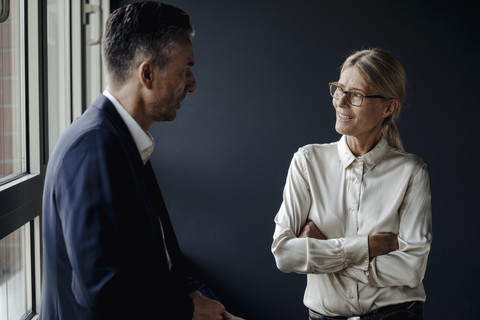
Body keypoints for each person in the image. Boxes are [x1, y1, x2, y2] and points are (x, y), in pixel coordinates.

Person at [40, 2, 243, 319]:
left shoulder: (122, 141)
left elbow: (157, 262)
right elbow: (101, 292)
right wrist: (188, 310)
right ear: (147, 73)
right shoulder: (94, 147)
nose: (192, 85)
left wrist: (208, 308)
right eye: (185, 69)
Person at [271, 48, 432, 320]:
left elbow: (410, 269)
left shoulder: (411, 172)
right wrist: (367, 247)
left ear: (388, 107)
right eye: (339, 89)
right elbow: (284, 254)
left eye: (356, 95)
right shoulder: (307, 162)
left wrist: (326, 252)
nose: (341, 101)